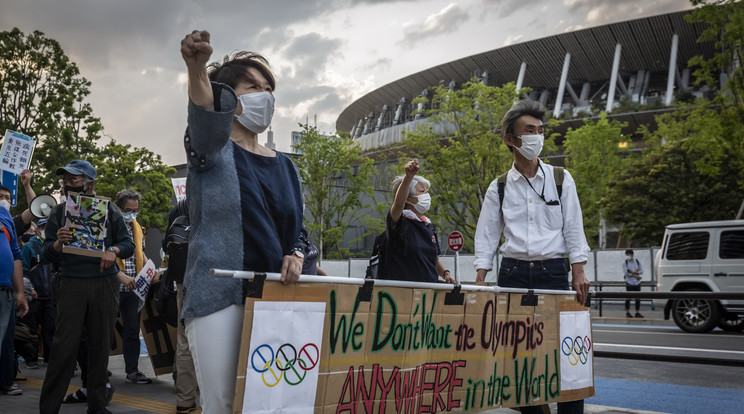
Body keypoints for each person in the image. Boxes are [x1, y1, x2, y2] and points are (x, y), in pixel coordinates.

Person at [180, 30, 305, 413]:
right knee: (224, 403)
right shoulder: (210, 149)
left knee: (272, 402)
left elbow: (299, 230)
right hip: (219, 297)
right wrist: (197, 68)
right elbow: (204, 116)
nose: (264, 95)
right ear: (229, 99)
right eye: (252, 86)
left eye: (269, 88)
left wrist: (297, 253)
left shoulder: (287, 165)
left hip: (275, 300)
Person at [474, 99, 590, 414]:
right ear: (511, 139)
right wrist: (481, 278)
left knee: (567, 357)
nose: (537, 136)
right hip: (512, 275)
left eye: (540, 130)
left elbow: (574, 227)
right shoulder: (498, 187)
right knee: (518, 361)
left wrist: (578, 270)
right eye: (529, 130)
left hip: (554, 274)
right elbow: (486, 234)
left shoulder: (561, 179)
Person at [39, 159, 134, 414]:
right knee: (63, 348)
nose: (67, 184)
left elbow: (128, 244)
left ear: (89, 183)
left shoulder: (110, 210)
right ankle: (48, 408)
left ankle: (97, 406)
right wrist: (57, 245)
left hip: (104, 283)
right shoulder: (59, 213)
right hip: (70, 283)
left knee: (100, 347)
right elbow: (46, 253)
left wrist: (113, 250)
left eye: (74, 179)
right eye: (65, 180)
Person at [383, 158, 455, 284]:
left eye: (427, 192)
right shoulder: (400, 221)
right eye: (422, 192)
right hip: (402, 293)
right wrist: (408, 178)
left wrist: (445, 274)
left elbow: (434, 259)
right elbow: (398, 205)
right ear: (408, 199)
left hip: (427, 294)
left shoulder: (428, 225)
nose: (427, 195)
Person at [111, 189, 153, 384]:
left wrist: (151, 269)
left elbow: (141, 253)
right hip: (111, 285)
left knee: (131, 330)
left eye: (135, 211)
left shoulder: (137, 227)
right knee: (102, 330)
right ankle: (97, 370)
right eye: (128, 210)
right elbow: (102, 256)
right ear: (118, 208)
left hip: (133, 287)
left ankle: (132, 371)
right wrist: (121, 276)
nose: (132, 215)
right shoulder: (108, 226)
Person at [0, 201, 29, 397]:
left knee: (5, 340)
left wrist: (20, 292)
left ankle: (4, 381)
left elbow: (15, 253)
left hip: (5, 291)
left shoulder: (4, 214)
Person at [20, 218, 55, 368]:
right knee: (31, 329)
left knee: (50, 328)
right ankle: (31, 359)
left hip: (50, 295)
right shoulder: (29, 247)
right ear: (38, 229)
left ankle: (50, 358)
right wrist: (30, 288)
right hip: (34, 295)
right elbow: (23, 271)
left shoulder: (54, 246)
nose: (45, 229)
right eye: (43, 226)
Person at [0, 169, 38, 243]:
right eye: (0, 196)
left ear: (10, 202)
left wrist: (27, 185)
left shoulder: (12, 224)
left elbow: (34, 209)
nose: (4, 200)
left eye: (7, 198)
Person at [622, 249, 644, 318]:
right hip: (629, 282)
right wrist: (636, 275)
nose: (627, 256)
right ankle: (627, 312)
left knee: (638, 298)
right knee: (628, 297)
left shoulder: (637, 262)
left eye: (628, 254)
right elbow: (626, 273)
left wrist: (634, 273)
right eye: (626, 255)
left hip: (637, 282)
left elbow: (641, 271)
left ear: (632, 255)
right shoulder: (625, 263)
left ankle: (637, 312)